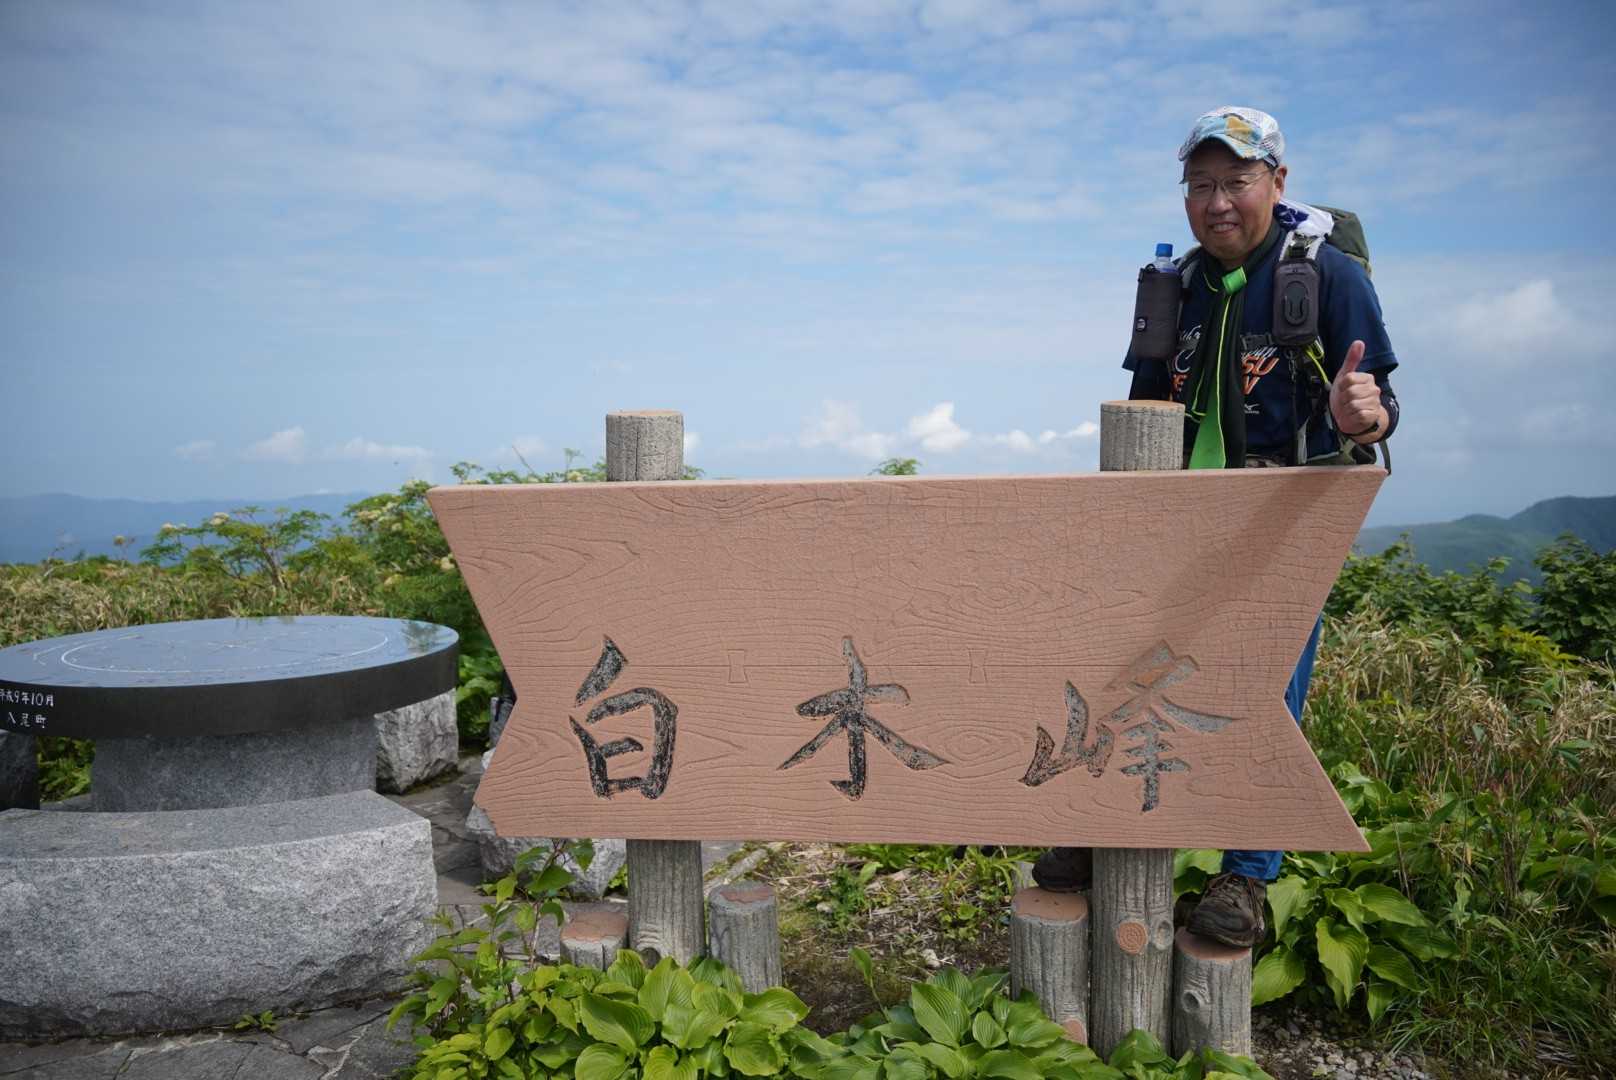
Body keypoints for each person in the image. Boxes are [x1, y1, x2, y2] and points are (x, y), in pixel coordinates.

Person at [1031, 106, 1400, 948]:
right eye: (1200, 184)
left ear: (1278, 181)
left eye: (1236, 180)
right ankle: (1104, 822)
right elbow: (1146, 403)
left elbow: (1378, 402)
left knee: (1266, 689)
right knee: (1129, 664)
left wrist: (1364, 414)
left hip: (1285, 515)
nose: (1218, 201)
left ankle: (1246, 874)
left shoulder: (1328, 274)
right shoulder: (1175, 286)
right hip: (1178, 518)